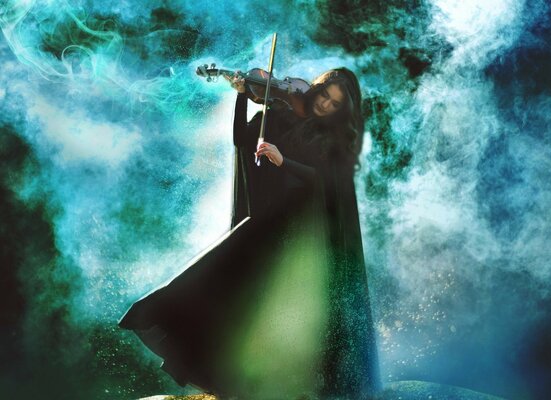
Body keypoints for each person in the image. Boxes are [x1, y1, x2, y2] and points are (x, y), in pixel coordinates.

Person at [118, 67, 381, 400]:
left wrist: (284, 161)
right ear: (315, 89)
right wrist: (242, 95)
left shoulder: (338, 139)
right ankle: (223, 374)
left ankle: (294, 383)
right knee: (218, 282)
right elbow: (242, 139)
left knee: (281, 304)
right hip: (272, 221)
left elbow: (326, 182)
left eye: (335, 104)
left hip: (304, 231)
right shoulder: (285, 116)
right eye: (325, 95)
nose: (325, 105)